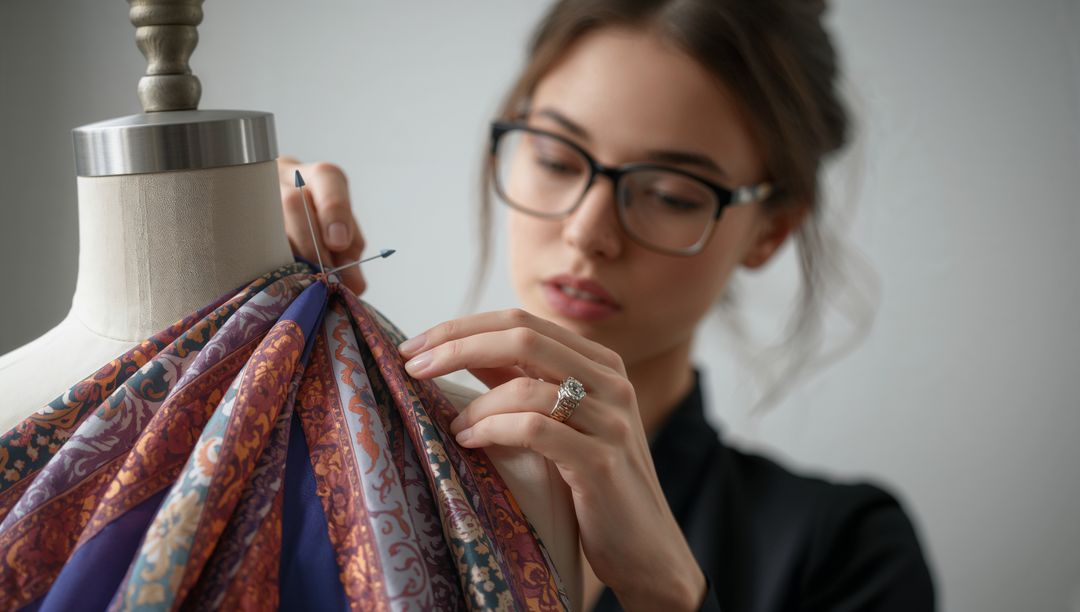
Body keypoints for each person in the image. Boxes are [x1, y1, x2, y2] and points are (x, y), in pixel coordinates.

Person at [276, 1, 936, 610]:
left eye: (672, 193)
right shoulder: (340, 467)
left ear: (771, 230)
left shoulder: (844, 551)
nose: (588, 232)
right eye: (558, 159)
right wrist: (230, 279)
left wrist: (669, 595)